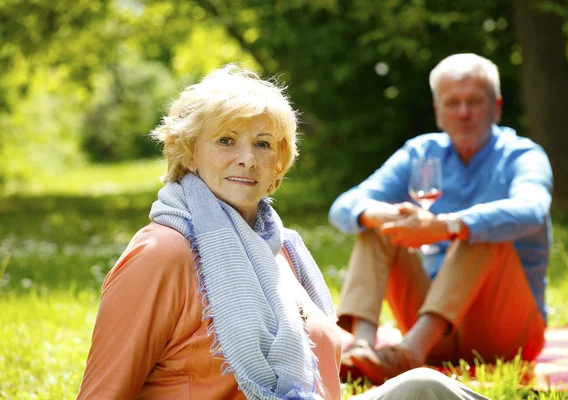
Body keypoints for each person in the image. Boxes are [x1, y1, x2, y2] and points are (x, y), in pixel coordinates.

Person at [76, 64, 490, 399]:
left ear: (279, 164)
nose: (247, 160)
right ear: (189, 152)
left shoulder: (280, 247)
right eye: (225, 140)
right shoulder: (162, 252)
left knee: (427, 387)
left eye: (262, 144)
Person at [329, 53, 553, 385]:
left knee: (478, 233)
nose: (463, 113)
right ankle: (362, 347)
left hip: (507, 335)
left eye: (474, 102)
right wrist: (391, 217)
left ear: (497, 107)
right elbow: (345, 206)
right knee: (377, 228)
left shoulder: (522, 154)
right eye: (453, 103)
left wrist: (446, 226)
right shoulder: (420, 153)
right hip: (434, 336)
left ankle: (406, 356)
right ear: (438, 112)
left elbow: (532, 208)